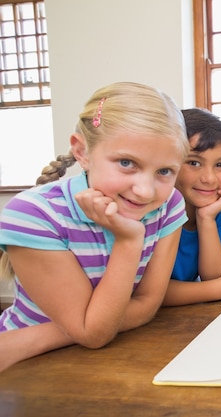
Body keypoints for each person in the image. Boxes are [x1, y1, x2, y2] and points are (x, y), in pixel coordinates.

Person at [0, 82, 189, 372]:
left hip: (77, 354)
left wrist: (35, 338)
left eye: (164, 171)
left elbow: (147, 303)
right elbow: (93, 334)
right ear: (82, 152)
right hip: (25, 368)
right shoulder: (32, 214)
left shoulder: (168, 205)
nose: (144, 191)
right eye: (127, 162)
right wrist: (129, 240)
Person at [162, 108, 221, 306]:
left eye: (220, 165)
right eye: (194, 162)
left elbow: (217, 274)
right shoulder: (158, 206)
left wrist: (206, 218)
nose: (209, 179)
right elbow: (149, 292)